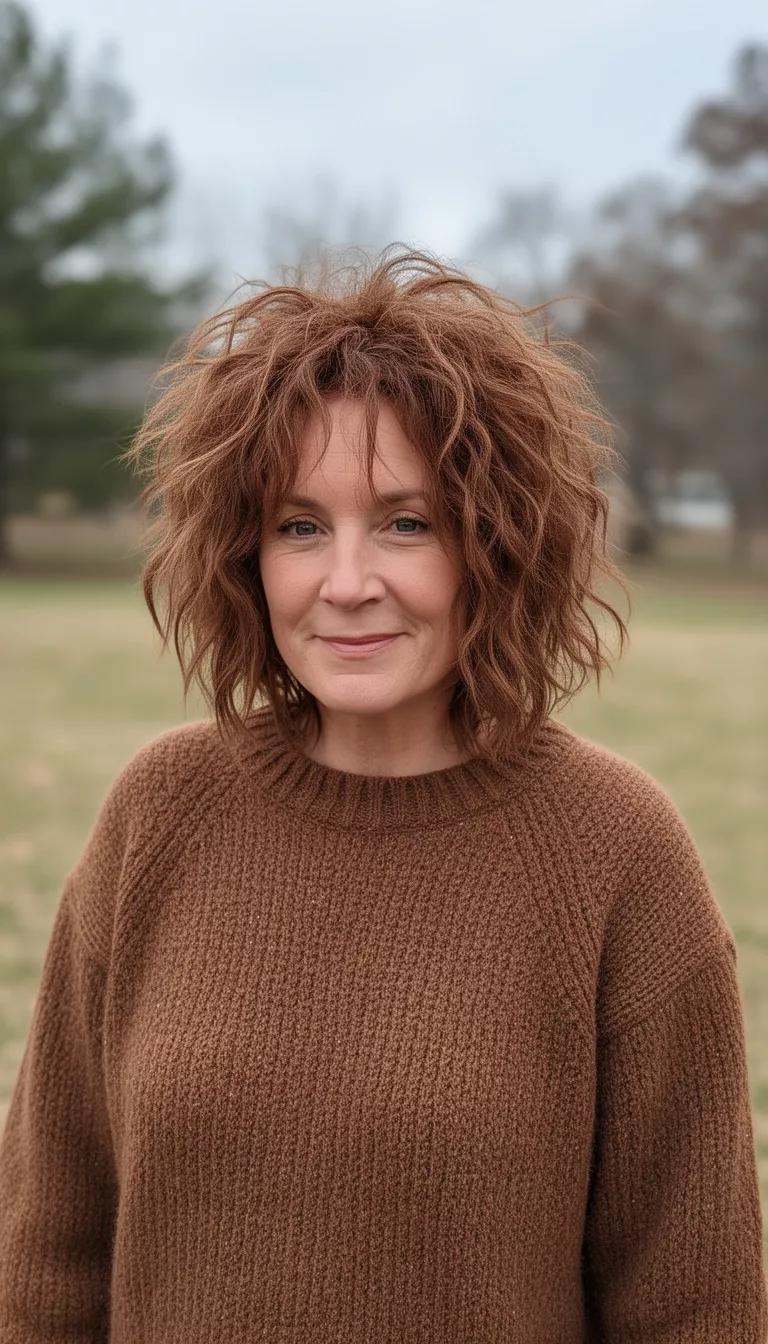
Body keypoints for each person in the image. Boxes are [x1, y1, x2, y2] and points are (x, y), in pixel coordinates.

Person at [1, 246, 766, 1341]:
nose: (346, 582)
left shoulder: (618, 853)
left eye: (406, 522)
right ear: (245, 555)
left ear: (494, 543)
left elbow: (694, 1310)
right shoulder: (158, 816)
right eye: (299, 526)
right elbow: (43, 1267)